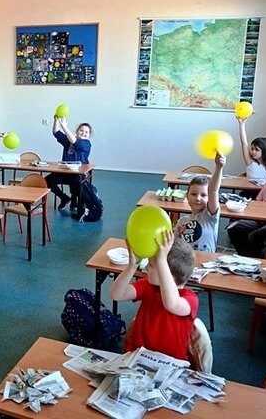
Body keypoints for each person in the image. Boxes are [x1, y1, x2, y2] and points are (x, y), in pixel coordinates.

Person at [110, 231, 200, 361]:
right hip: (136, 357)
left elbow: (171, 304)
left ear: (165, 273)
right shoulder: (148, 285)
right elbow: (116, 295)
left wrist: (161, 260)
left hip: (169, 362)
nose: (146, 268)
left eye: (151, 265)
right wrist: (131, 267)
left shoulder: (190, 299)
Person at [174, 152, 225, 252]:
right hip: (186, 260)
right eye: (193, 194)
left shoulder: (209, 216)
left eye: (203, 195)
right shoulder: (181, 221)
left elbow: (213, 191)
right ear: (187, 196)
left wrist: (219, 167)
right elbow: (174, 244)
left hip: (207, 260)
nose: (198, 198)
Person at [45, 116, 92, 211]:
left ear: (89, 135)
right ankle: (64, 198)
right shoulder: (68, 141)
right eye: (81, 130)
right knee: (47, 181)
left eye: (86, 132)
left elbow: (75, 142)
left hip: (78, 174)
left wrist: (64, 126)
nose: (83, 133)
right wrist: (56, 121)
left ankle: (75, 199)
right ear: (77, 131)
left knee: (76, 182)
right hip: (65, 172)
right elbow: (56, 132)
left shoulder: (87, 144)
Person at [236, 116, 266, 184]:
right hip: (249, 190)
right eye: (252, 149)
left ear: (264, 151)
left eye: (257, 150)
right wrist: (242, 124)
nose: (253, 152)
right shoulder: (250, 161)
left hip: (265, 190)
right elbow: (244, 142)